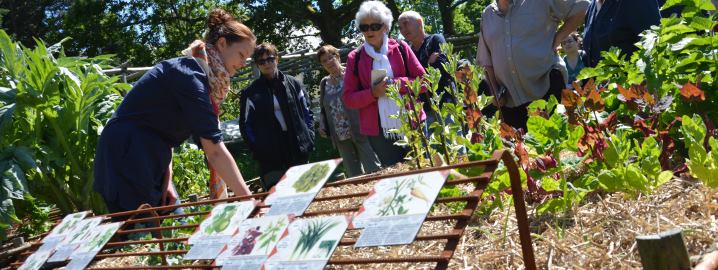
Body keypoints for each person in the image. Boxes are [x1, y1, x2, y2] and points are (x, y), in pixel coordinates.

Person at [93, 8, 254, 214]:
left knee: (169, 221)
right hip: (127, 154)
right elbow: (213, 150)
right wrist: (249, 200)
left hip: (152, 155)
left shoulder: (204, 78)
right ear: (222, 44)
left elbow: (163, 132)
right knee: (139, 234)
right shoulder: (189, 76)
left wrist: (166, 179)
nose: (243, 63)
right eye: (241, 55)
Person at [476, 0, 589, 130]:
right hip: (510, 102)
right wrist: (494, 92)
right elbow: (486, 62)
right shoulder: (487, 15)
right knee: (520, 149)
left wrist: (557, 39)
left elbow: (582, 7)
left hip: (548, 89)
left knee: (559, 145)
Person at [342, 0, 426, 167]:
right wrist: (373, 93)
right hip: (379, 132)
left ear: (386, 27)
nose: (369, 31)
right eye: (364, 27)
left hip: (412, 120)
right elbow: (348, 98)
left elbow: (424, 82)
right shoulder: (355, 57)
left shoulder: (401, 48)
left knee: (423, 169)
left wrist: (395, 84)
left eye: (374, 26)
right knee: (395, 178)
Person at [239, 43, 315, 191]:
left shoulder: (293, 83)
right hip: (270, 154)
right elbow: (245, 124)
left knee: (304, 191)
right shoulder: (250, 93)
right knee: (276, 194)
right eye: (262, 61)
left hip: (297, 147)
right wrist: (257, 147)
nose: (267, 63)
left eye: (270, 59)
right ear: (257, 65)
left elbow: (307, 112)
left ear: (277, 59)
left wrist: (309, 134)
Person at [317, 45, 382, 177]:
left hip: (360, 129)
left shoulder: (351, 74)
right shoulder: (324, 83)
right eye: (324, 61)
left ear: (338, 57)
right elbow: (324, 107)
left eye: (331, 57)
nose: (328, 62)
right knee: (354, 175)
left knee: (373, 168)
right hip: (340, 134)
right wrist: (322, 125)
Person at [398, 11, 457, 123]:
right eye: (400, 27)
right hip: (423, 111)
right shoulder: (406, 52)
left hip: (446, 105)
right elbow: (409, 81)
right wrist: (429, 65)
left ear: (419, 22)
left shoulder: (436, 39)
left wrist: (417, 76)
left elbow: (442, 68)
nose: (403, 29)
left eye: (406, 24)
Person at [582, 0, 661, 68]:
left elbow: (655, 44)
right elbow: (592, 53)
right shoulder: (592, 7)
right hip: (602, 84)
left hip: (632, 82)